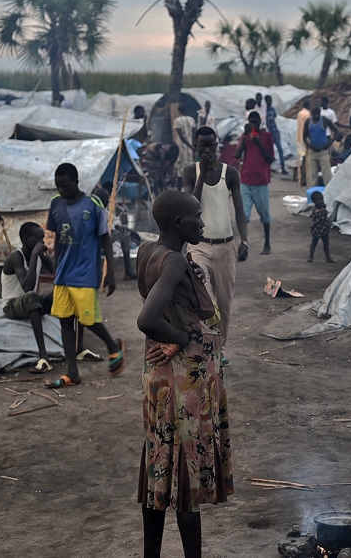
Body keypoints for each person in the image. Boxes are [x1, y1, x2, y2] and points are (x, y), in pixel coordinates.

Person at [136, 190, 234, 558]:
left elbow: (159, 307)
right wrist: (179, 337)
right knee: (184, 470)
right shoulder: (174, 260)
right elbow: (147, 319)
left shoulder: (147, 250)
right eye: (198, 216)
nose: (203, 222)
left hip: (159, 376)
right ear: (180, 223)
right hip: (181, 380)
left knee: (159, 464)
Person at [44, 163, 125, 389]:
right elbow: (59, 238)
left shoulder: (93, 205)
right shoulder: (56, 205)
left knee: (88, 318)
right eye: (58, 186)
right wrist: (55, 266)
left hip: (85, 272)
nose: (61, 190)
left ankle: (113, 345)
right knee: (65, 321)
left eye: (66, 185)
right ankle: (72, 372)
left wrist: (110, 272)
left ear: (76, 182)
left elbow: (105, 238)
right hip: (63, 274)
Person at [183, 126, 249, 363]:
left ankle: (219, 351)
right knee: (205, 300)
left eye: (211, 145)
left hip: (225, 247)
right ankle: (208, 348)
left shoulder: (230, 173)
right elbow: (191, 204)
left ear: (217, 143)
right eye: (203, 146)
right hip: (199, 246)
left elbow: (240, 210)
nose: (208, 150)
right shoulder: (190, 172)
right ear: (196, 147)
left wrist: (246, 240)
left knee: (224, 304)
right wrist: (202, 173)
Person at [2, 222, 56, 373]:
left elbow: (58, 275)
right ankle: (43, 356)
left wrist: (48, 258)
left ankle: (76, 346)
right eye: (37, 239)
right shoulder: (15, 257)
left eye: (42, 239)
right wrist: (34, 256)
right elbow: (27, 287)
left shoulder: (39, 256)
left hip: (28, 303)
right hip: (12, 305)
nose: (41, 243)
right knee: (32, 296)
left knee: (63, 294)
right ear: (25, 239)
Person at [236, 111, 275, 255]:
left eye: (256, 122)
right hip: (246, 180)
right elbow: (236, 155)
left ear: (260, 122)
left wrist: (259, 144)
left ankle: (267, 243)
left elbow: (270, 158)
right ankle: (244, 244)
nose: (254, 125)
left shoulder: (267, 136)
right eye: (251, 123)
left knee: (264, 215)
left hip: (261, 181)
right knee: (244, 215)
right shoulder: (246, 137)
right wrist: (245, 136)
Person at [304, 106, 335, 188]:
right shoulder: (308, 122)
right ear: (311, 113)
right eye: (314, 112)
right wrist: (310, 145)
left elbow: (338, 132)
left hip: (323, 151)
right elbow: (304, 137)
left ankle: (328, 195)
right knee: (312, 177)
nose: (316, 114)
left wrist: (329, 143)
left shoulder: (324, 120)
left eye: (318, 112)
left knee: (327, 176)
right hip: (312, 152)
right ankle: (313, 195)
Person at [307, 191, 335, 263]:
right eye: (319, 200)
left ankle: (328, 257)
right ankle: (311, 256)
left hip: (324, 228)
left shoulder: (322, 207)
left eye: (322, 199)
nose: (321, 201)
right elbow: (317, 218)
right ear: (314, 201)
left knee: (326, 243)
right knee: (314, 242)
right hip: (317, 229)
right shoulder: (315, 210)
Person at [264, 95, 287, 175]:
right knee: (268, 151)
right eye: (268, 100)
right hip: (267, 133)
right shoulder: (264, 110)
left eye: (270, 100)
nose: (269, 102)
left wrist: (277, 131)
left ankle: (283, 167)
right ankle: (267, 169)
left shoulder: (272, 109)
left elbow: (275, 121)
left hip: (274, 131)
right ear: (266, 101)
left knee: (280, 149)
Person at [172, 105, 196, 181]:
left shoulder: (177, 121)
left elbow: (180, 136)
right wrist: (192, 145)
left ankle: (179, 187)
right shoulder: (191, 120)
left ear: (179, 111)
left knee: (180, 164)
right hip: (190, 145)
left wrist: (188, 145)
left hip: (181, 146)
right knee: (190, 162)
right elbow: (194, 133)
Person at [295, 98, 312, 187]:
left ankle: (300, 179)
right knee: (307, 161)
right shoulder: (308, 115)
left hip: (298, 139)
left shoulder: (300, 113)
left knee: (300, 161)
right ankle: (306, 180)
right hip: (305, 140)